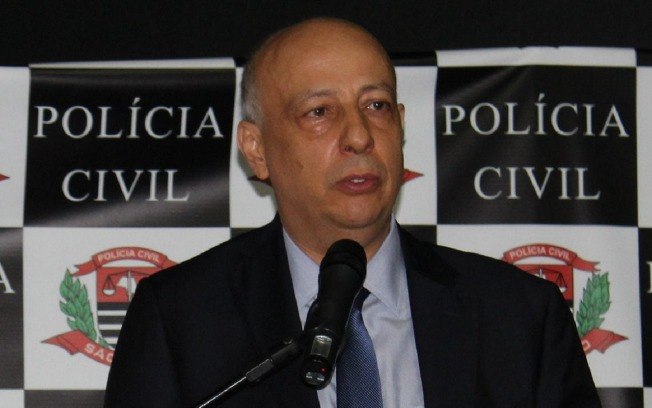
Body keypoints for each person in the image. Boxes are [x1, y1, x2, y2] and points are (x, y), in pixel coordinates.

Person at [104, 18, 601, 408]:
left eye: (377, 106)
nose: (360, 136)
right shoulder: (180, 319)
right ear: (256, 150)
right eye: (319, 112)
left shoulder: (520, 317)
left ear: (401, 126)